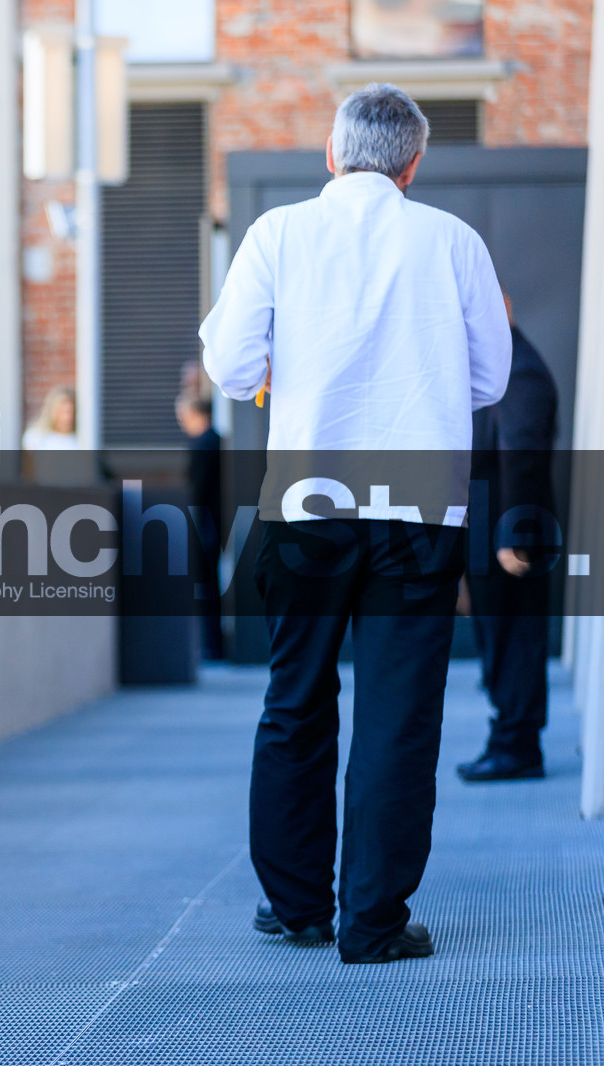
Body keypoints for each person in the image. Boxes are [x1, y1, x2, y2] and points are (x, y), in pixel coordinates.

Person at [200, 83, 510, 964]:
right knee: (400, 713)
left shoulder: (277, 235)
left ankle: (297, 907)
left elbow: (228, 367)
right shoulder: (454, 242)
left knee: (295, 701)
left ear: (331, 155)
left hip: (306, 502)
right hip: (419, 507)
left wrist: (282, 377)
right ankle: (373, 923)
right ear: (413, 164)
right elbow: (489, 382)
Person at [457, 293, 559, 782]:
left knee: (514, 636)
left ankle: (518, 746)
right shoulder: (502, 366)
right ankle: (508, 739)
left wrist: (513, 535)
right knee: (499, 637)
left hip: (508, 535)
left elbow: (522, 454)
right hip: (493, 532)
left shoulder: (518, 367)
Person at [175, 395, 223, 660]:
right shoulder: (216, 440)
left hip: (205, 526)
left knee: (205, 584)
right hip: (212, 524)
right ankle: (212, 644)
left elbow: (197, 489)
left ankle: (211, 645)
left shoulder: (205, 443)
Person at [22, 385, 81, 450]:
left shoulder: (82, 438)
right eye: (62, 412)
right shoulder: (34, 436)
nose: (67, 417)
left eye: (71, 412)